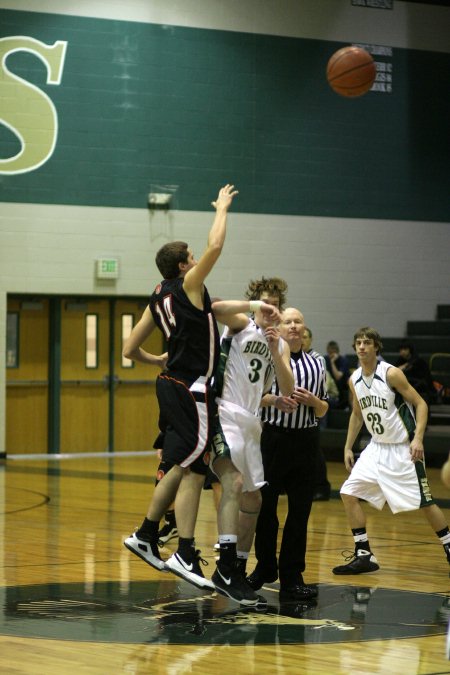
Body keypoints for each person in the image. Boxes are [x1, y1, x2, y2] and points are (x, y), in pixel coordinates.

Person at [123, 183, 238, 591]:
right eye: (191, 257)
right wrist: (221, 208)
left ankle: (151, 536)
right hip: (191, 386)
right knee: (194, 462)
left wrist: (155, 359)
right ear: (183, 267)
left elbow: (128, 348)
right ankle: (173, 545)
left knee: (184, 463)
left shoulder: (158, 295)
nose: (197, 260)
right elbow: (217, 246)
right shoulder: (189, 286)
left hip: (168, 382)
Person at [332, 326, 450, 575]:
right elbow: (356, 415)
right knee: (348, 492)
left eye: (367, 342)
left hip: (403, 448)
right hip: (376, 448)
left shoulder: (391, 373)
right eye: (358, 343)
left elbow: (421, 404)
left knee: (425, 503)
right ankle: (364, 554)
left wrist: (418, 438)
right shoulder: (354, 379)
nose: (362, 346)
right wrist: (347, 447)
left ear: (376, 347)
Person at [209, 278, 294, 606]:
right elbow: (214, 307)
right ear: (257, 305)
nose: (270, 310)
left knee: (254, 500)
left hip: (251, 421)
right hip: (226, 413)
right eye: (265, 303)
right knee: (235, 483)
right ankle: (225, 568)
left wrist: (275, 350)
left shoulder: (279, 343)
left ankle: (238, 571)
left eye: (275, 305)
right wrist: (255, 308)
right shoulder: (241, 324)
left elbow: (285, 390)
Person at [247, 307, 329, 601]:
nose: (293, 326)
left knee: (299, 513)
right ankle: (265, 566)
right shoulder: (268, 359)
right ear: (278, 328)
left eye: (298, 321)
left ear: (304, 328)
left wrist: (314, 401)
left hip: (306, 441)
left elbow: (325, 408)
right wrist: (276, 399)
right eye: (287, 322)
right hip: (274, 438)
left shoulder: (317, 362)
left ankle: (292, 576)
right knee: (266, 509)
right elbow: (255, 395)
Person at [303, 326, 331, 501]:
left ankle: (322, 486)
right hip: (294, 410)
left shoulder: (317, 358)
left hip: (314, 407)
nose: (302, 339)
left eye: (306, 336)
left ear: (311, 340)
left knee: (315, 451)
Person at [395, 340, 435, 406]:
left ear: (410, 350)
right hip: (408, 387)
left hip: (420, 389)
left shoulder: (419, 361)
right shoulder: (400, 360)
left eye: (405, 349)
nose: (402, 351)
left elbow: (426, 378)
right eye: (400, 349)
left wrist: (405, 367)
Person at [325, 340, 350, 409]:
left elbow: (338, 377)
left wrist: (332, 362)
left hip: (340, 392)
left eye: (333, 350)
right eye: (330, 350)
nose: (331, 352)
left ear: (337, 351)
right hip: (328, 389)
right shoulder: (325, 359)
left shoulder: (343, 360)